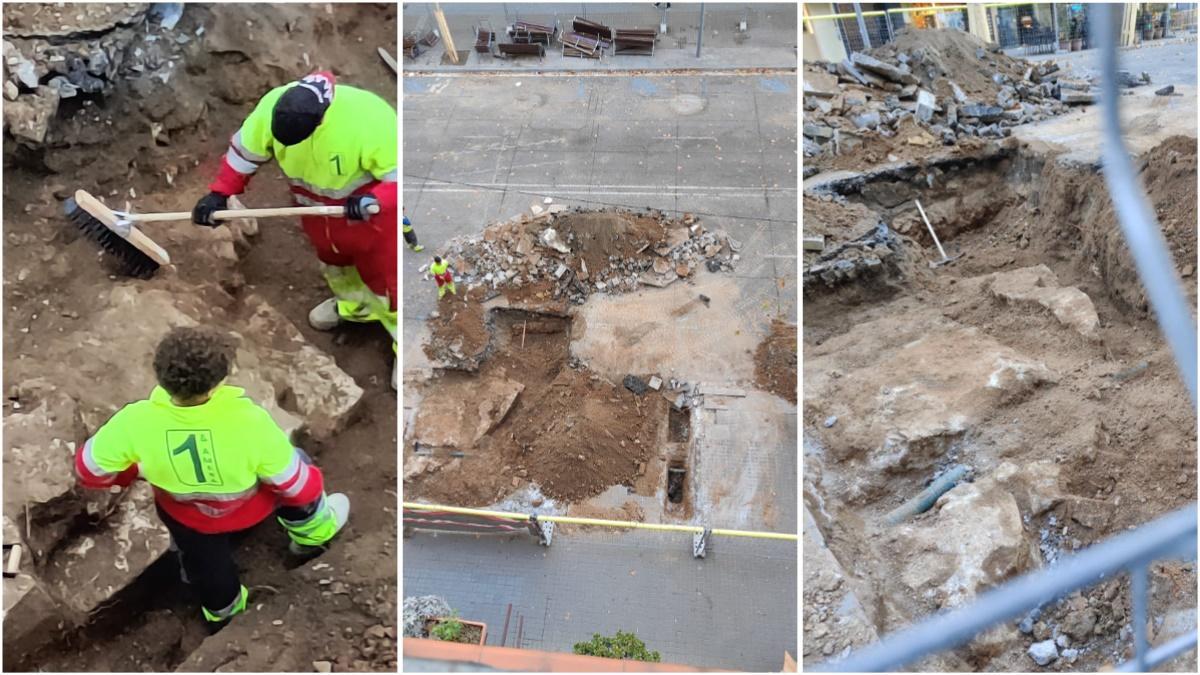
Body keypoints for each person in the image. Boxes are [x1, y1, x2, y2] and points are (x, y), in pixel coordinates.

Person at [73, 327, 350, 630]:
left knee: (207, 566)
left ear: (160, 375)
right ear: (220, 381)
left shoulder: (134, 422)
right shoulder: (248, 421)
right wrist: (308, 482)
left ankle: (224, 614)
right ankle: (312, 538)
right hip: (251, 508)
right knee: (297, 463)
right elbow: (296, 486)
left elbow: (89, 470)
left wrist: (132, 471)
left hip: (190, 519)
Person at [191, 70, 398, 389]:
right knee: (335, 268)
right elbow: (244, 154)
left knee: (387, 282)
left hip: (371, 221)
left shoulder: (370, 118)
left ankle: (402, 342)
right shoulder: (272, 107)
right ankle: (355, 311)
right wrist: (220, 192)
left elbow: (401, 178)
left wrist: (373, 198)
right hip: (317, 215)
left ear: (318, 123)